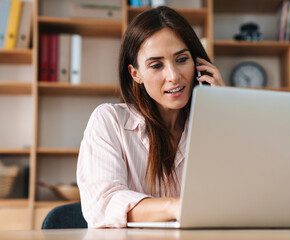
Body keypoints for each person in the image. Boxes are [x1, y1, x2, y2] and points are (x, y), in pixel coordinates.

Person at [77, 6, 225, 228]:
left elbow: (242, 196)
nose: (174, 76)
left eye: (182, 59)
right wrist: (175, 207)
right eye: (156, 65)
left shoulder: (212, 126)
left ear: (198, 64)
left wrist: (223, 114)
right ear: (136, 74)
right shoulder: (110, 121)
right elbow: (104, 205)